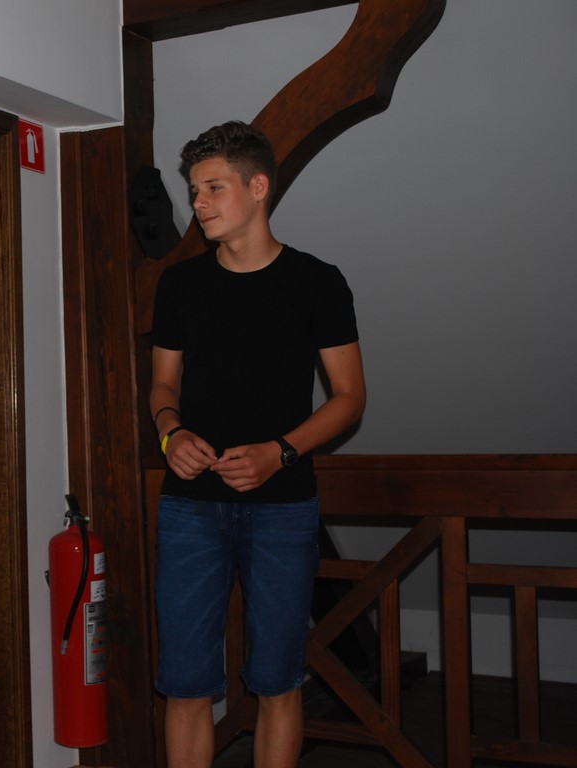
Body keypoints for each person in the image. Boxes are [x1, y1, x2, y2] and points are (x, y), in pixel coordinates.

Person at [150, 121, 366, 768]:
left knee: (277, 679)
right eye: (194, 191)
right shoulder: (180, 285)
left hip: (283, 506)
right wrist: (170, 433)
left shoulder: (316, 282)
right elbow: (162, 385)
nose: (199, 203)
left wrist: (281, 452)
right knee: (185, 681)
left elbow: (349, 397)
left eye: (213, 187)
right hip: (189, 505)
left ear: (258, 186)